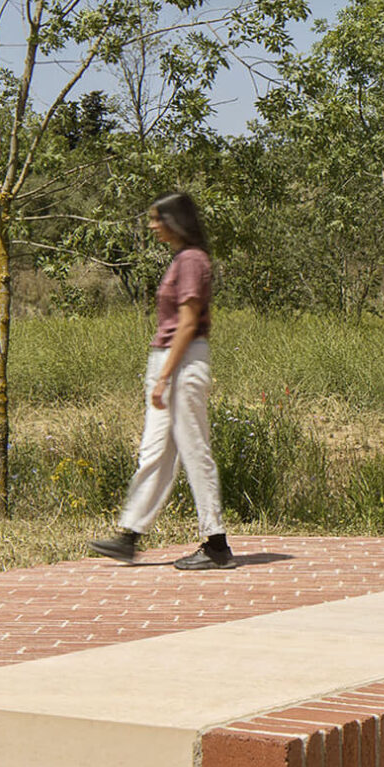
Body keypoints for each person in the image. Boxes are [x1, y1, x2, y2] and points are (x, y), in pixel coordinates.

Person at [90, 193, 233, 570]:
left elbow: (187, 323)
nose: (152, 226)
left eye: (157, 219)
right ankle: (129, 536)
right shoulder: (182, 259)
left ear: (176, 221)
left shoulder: (191, 261)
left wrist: (165, 376)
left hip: (181, 363)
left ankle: (216, 543)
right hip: (168, 361)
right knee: (154, 452)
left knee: (194, 451)